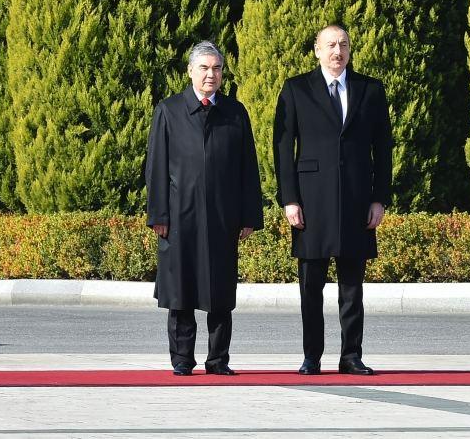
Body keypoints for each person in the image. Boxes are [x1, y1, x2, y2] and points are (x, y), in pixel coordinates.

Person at [273, 23, 393, 376]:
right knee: (310, 285)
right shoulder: (296, 89)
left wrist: (380, 198)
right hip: (311, 201)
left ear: (350, 50)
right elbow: (282, 148)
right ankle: (312, 356)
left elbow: (383, 148)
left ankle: (351, 356)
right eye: (330, 45)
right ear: (317, 50)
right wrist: (289, 199)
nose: (337, 51)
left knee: (352, 285)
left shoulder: (370, 89)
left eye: (342, 45)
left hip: (357, 200)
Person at [145, 41, 264, 376]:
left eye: (217, 68)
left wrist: (249, 215)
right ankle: (182, 360)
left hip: (222, 219)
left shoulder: (235, 112)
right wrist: (158, 215)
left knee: (221, 292)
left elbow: (247, 168)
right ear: (190, 71)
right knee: (181, 292)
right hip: (179, 218)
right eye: (204, 68)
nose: (211, 74)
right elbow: (156, 168)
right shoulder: (169, 110)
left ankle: (218, 360)